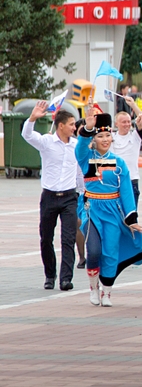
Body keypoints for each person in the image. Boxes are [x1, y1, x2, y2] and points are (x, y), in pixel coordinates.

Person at [75, 109, 142, 306]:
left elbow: (127, 192)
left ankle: (107, 292)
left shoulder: (120, 163)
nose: (104, 139)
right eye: (100, 136)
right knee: (93, 250)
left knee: (110, 251)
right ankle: (93, 286)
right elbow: (80, 148)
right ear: (94, 138)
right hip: (91, 208)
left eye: (107, 136)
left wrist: (132, 219)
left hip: (112, 211)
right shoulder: (87, 158)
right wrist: (87, 127)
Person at [23, 102, 83, 291]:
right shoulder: (47, 142)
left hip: (69, 198)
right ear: (61, 125)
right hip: (49, 196)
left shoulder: (76, 146)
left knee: (68, 238)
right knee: (46, 238)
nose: (75, 128)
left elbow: (80, 172)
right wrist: (32, 118)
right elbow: (27, 135)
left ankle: (66, 278)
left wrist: (83, 194)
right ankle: (50, 274)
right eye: (72, 124)